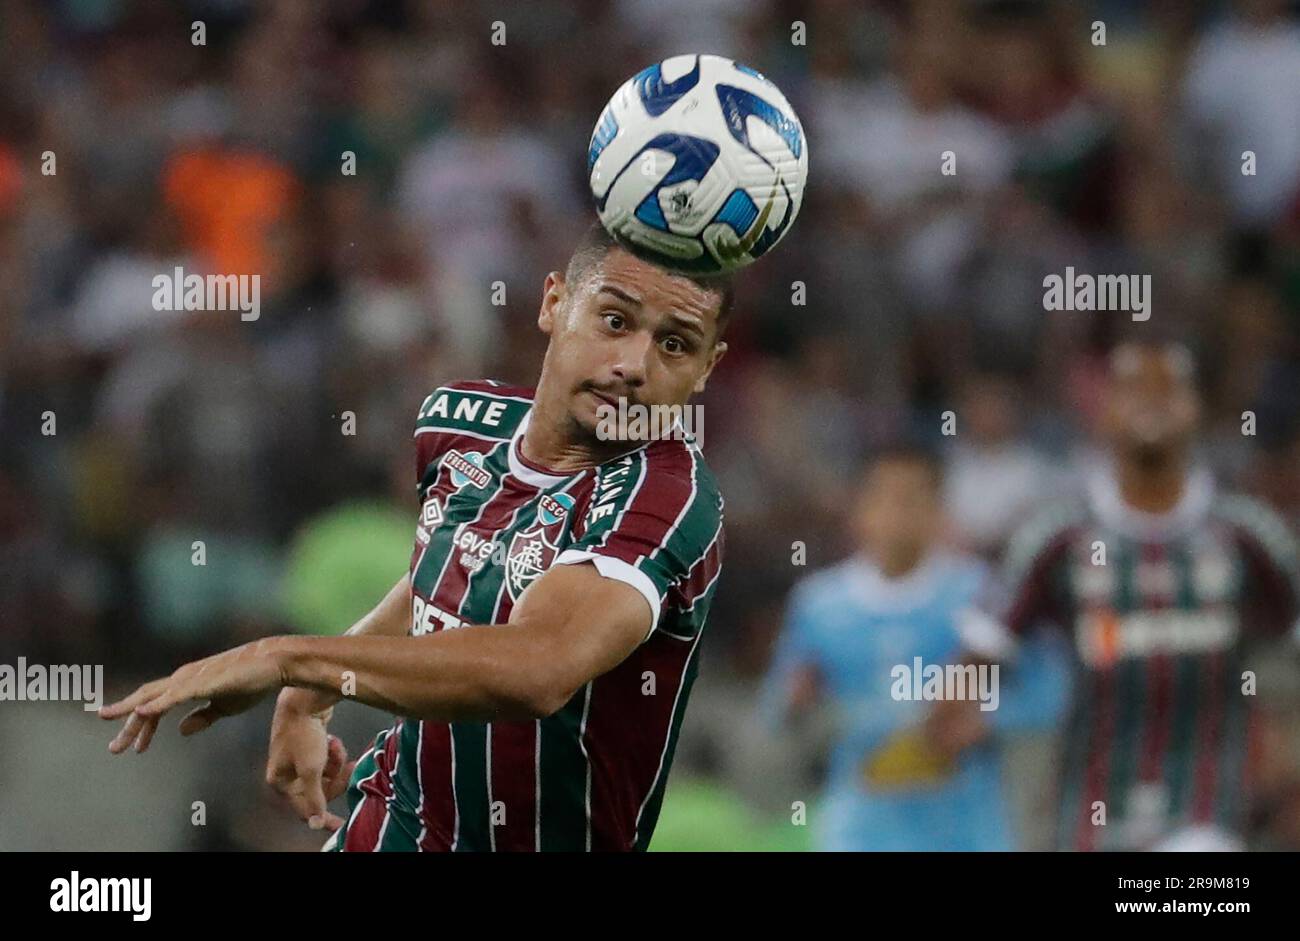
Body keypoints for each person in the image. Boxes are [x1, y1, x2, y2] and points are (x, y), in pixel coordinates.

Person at [100, 222, 731, 852]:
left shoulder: (669, 499)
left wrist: (286, 658)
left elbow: (538, 669)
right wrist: (308, 695)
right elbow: (441, 577)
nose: (631, 367)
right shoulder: (458, 422)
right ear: (553, 302)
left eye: (674, 345)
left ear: (707, 367)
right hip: (396, 825)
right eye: (614, 322)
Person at [946, 339, 1300, 850]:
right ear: (1104, 411)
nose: (1151, 403)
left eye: (1170, 389)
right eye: (1133, 389)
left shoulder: (1249, 534)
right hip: (1088, 813)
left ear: (1197, 408)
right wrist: (959, 720)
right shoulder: (1055, 536)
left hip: (1208, 814)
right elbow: (977, 659)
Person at [762, 445, 1069, 851]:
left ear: (938, 510)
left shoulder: (983, 595)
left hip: (964, 832)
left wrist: (989, 716)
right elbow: (775, 710)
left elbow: (1051, 688)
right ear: (858, 509)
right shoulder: (819, 605)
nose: (897, 513)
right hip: (860, 833)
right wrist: (794, 700)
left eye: (912, 498)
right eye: (883, 497)